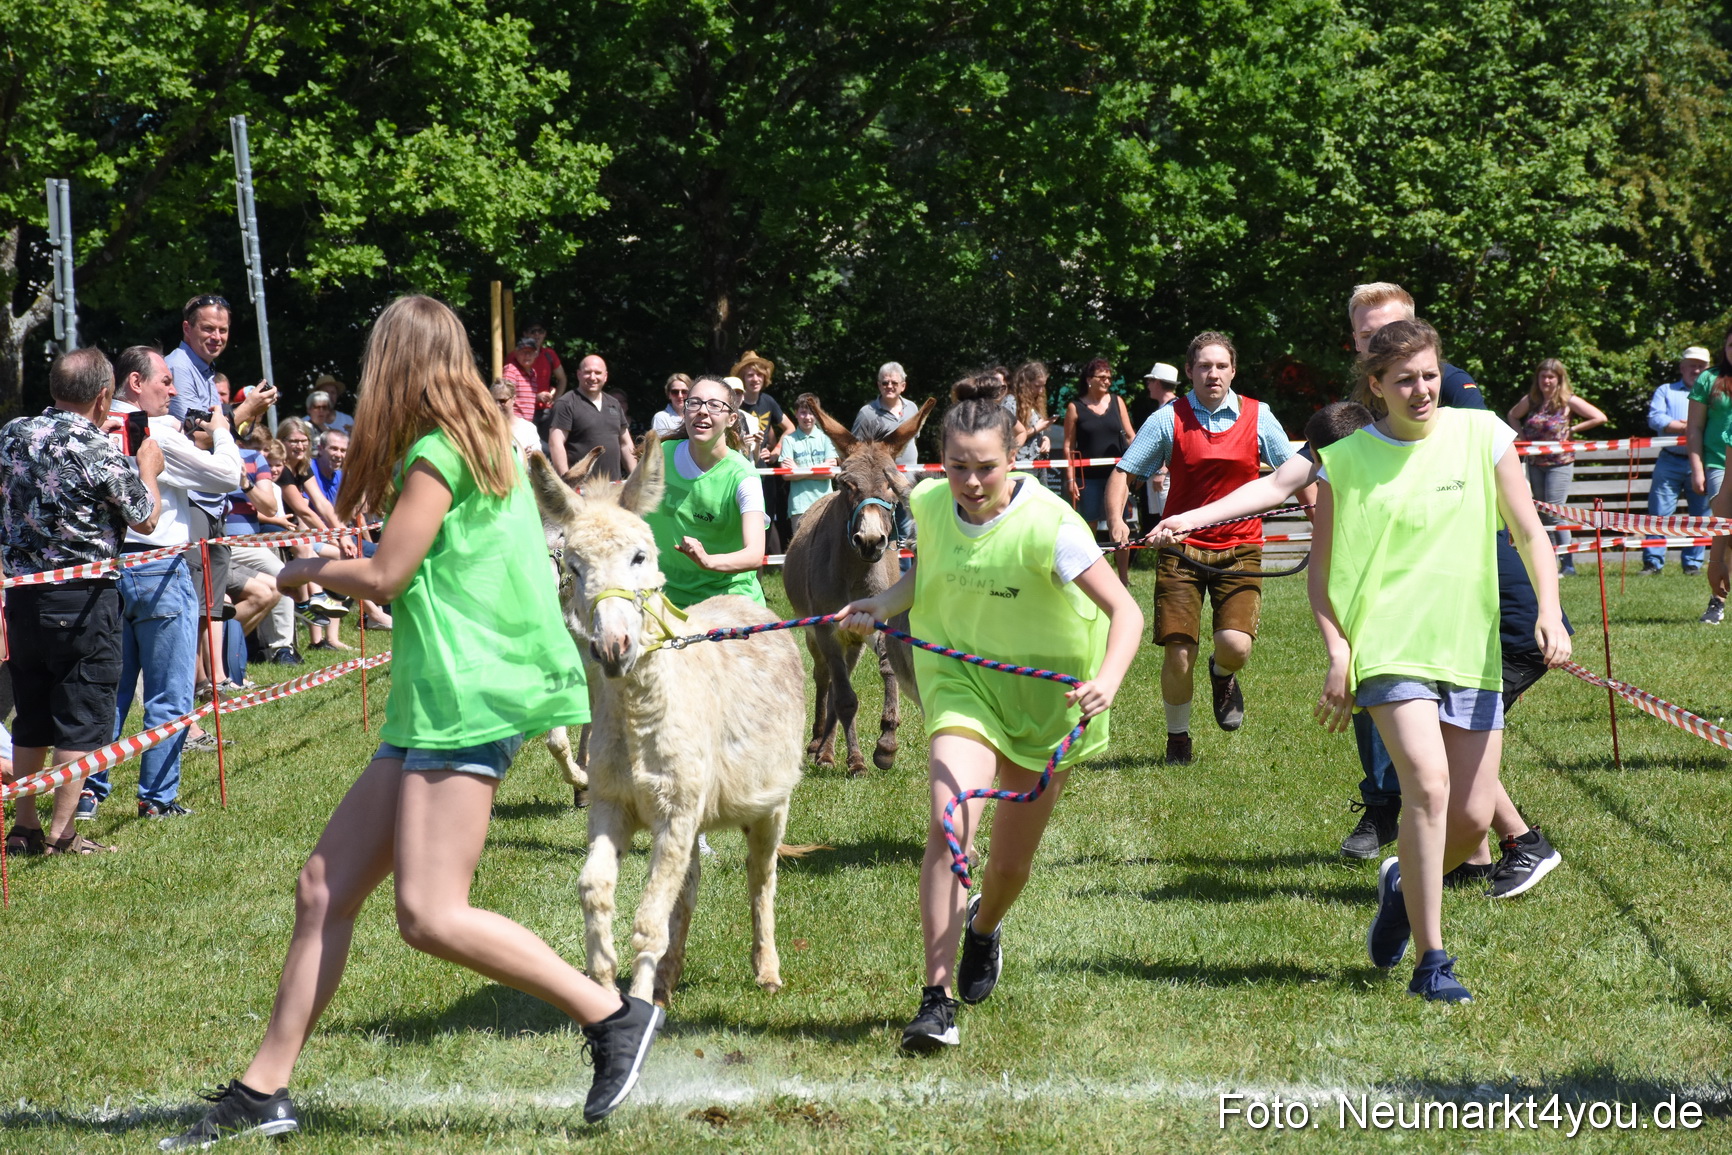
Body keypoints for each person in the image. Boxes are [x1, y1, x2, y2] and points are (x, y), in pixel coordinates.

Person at [158, 295, 661, 1150]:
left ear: (399, 365)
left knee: (429, 912)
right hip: (440, 694)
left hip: (465, 697)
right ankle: (262, 1089)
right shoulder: (483, 441)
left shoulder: (439, 452)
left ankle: (611, 1014)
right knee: (323, 887)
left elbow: (387, 574)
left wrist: (301, 571)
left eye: (377, 359)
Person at [835, 379, 1142, 1052]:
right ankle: (936, 999)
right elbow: (929, 575)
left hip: (1047, 701)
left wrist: (1109, 680)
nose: (971, 483)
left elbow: (1126, 611)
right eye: (957, 467)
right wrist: (881, 606)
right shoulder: (929, 504)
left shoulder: (1053, 526)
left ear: (1013, 459)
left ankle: (984, 926)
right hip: (962, 683)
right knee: (950, 828)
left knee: (1008, 870)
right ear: (940, 462)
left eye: (986, 468)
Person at [1311, 319, 1570, 1002]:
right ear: (1376, 386)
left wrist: (1548, 609)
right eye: (1404, 380)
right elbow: (1322, 571)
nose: (1422, 389)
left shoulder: (1483, 434)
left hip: (1467, 644)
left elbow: (1530, 533)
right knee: (1427, 786)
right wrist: (1339, 650)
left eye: (1429, 375)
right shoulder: (1346, 460)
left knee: (1473, 817)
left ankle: (1403, 885)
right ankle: (1433, 962)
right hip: (1389, 643)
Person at [1105, 332, 1295, 766]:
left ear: (1233, 370)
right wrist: (1116, 519)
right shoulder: (1166, 419)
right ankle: (1178, 739)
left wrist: (1324, 523)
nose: (1213, 374)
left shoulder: (1260, 416)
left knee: (1235, 646)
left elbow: (1297, 473)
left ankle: (1222, 672)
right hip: (1180, 548)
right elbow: (1123, 473)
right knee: (1178, 652)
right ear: (1189, 371)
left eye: (1221, 366)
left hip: (1241, 546)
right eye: (1204, 366)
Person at [0, 348, 161, 857]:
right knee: (81, 713)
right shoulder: (97, 447)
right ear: (104, 396)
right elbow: (145, 517)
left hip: (21, 596)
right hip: (83, 599)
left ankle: (24, 826)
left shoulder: (12, 434)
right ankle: (61, 834)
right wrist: (148, 468)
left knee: (30, 712)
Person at [80, 345, 244, 821]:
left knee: (109, 691)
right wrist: (222, 430)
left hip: (105, 570)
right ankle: (157, 797)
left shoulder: (92, 430)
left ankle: (87, 791)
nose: (173, 391)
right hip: (158, 568)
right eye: (165, 382)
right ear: (136, 383)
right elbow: (228, 476)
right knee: (169, 691)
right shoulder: (154, 434)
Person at [643, 376, 767, 608]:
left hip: (727, 601)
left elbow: (754, 554)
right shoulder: (659, 455)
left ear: (731, 419)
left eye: (714, 405)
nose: (702, 411)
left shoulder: (744, 477)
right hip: (661, 597)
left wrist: (708, 561)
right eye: (695, 403)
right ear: (685, 411)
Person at [1507, 359, 1607, 576]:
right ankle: (1550, 564)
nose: (1546, 381)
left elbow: (1599, 417)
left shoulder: (1568, 400)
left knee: (1556, 511)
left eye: (1551, 377)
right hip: (1535, 462)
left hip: (1560, 463)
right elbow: (1513, 415)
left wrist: (1573, 430)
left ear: (1559, 379)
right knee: (1543, 513)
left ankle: (1568, 564)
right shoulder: (1532, 400)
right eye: (1543, 376)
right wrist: (1521, 438)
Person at [1064, 358, 1138, 583]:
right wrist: (1071, 479)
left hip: (1118, 476)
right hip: (1088, 478)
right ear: (1089, 380)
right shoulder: (1074, 407)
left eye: (1109, 377)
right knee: (1089, 526)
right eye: (1102, 377)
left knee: (1120, 524)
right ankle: (1093, 578)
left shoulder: (1117, 401)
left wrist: (1139, 465)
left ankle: (1123, 578)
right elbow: (1068, 446)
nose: (1107, 381)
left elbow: (1131, 435)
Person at [1643, 345, 1716, 574]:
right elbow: (1656, 418)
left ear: (1708, 368)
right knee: (1659, 512)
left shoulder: (1715, 392)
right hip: (1670, 459)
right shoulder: (1666, 390)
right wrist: (1689, 427)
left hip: (1703, 460)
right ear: (1682, 367)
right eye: (1692, 365)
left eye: (1701, 366)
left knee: (1701, 515)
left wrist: (1688, 426)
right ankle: (1653, 562)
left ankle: (1693, 564)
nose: (1696, 370)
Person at [1689, 326, 1732, 624]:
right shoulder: (1709, 379)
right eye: (1731, 345)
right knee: (1726, 525)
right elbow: (1694, 427)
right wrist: (1697, 466)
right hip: (1718, 463)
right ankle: (1717, 600)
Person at [854, 362, 922, 549]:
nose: (889, 386)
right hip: (880, 487)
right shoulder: (867, 413)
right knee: (883, 532)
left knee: (907, 533)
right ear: (878, 385)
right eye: (885, 383)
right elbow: (856, 450)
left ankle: (907, 568)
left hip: (908, 483)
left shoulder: (912, 408)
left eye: (894, 383)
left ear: (903, 386)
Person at [733, 351, 795, 547]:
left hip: (762, 468)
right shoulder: (734, 403)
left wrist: (776, 450)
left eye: (759, 374)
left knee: (767, 513)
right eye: (750, 374)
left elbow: (790, 428)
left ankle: (763, 557)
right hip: (738, 466)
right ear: (742, 378)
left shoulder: (768, 401)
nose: (755, 379)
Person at [548, 355, 635, 481]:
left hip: (613, 485)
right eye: (587, 372)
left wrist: (636, 477)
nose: (593, 377)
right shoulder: (566, 403)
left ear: (605, 376)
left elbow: (626, 444)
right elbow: (556, 444)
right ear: (579, 374)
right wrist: (567, 482)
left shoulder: (614, 404)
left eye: (598, 373)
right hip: (581, 487)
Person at [779, 392, 838, 538]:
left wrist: (798, 471)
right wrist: (821, 468)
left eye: (812, 413)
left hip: (826, 504)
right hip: (799, 506)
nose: (808, 417)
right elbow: (786, 474)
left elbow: (831, 473)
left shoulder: (826, 438)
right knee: (801, 548)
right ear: (796, 414)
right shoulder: (789, 440)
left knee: (826, 545)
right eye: (803, 412)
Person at [1129, 362, 1180, 521]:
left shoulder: (1174, 409)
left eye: (1150, 381)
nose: (1148, 385)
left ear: (1157, 382)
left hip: (1166, 475)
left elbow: (1175, 442)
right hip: (1160, 475)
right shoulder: (1165, 407)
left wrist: (1162, 471)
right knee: (1163, 520)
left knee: (1170, 520)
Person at [520, 320, 568, 441]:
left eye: (540, 331)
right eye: (533, 331)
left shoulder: (549, 354)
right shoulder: (517, 356)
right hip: (523, 411)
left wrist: (556, 401)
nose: (537, 334)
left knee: (548, 446)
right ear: (525, 334)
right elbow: (510, 388)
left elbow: (562, 379)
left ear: (545, 334)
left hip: (546, 412)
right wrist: (535, 397)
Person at [491, 379, 541, 457]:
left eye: (502, 401)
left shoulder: (528, 429)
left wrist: (533, 454)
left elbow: (539, 459)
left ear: (514, 399)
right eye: (494, 401)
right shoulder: (487, 428)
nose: (498, 405)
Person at [502, 337, 540, 422]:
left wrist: (539, 397)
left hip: (527, 423)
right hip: (514, 423)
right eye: (523, 352)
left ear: (536, 354)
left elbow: (525, 399)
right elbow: (505, 398)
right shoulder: (511, 370)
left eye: (530, 352)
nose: (527, 356)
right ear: (516, 353)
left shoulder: (533, 373)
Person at [651, 373, 693, 437]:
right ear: (668, 394)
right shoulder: (661, 418)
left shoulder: (696, 416)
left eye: (684, 391)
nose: (680, 395)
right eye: (675, 392)